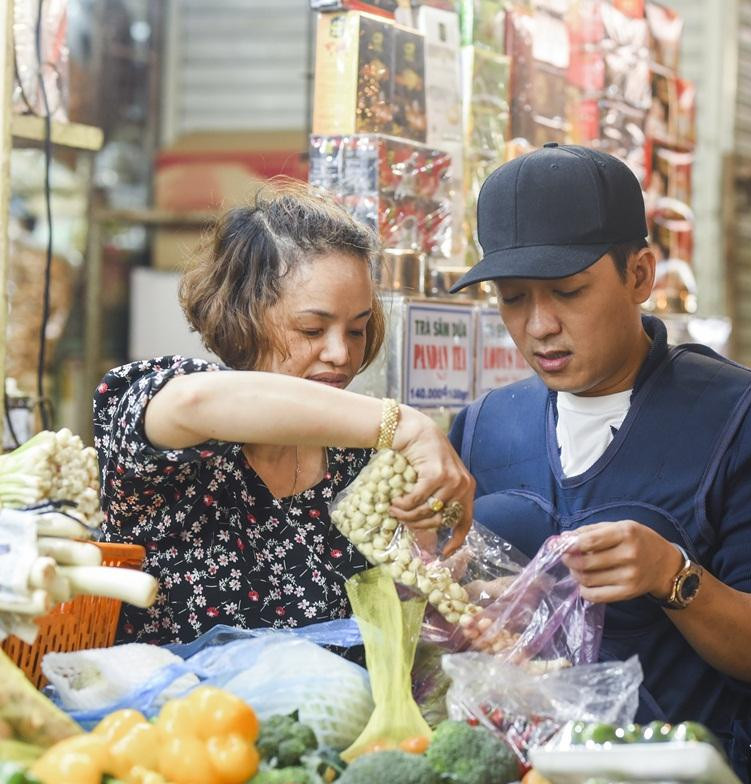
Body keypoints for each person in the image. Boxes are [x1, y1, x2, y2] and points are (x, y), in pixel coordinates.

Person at [447, 143, 751, 782]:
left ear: (640, 275)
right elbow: (446, 627)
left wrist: (671, 575)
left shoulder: (738, 419)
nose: (538, 326)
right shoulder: (484, 429)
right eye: (512, 299)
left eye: (568, 291)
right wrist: (476, 609)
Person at [93, 182, 474, 644]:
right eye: (312, 328)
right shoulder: (169, 422)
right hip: (180, 715)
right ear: (244, 316)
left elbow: (385, 624)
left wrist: (439, 591)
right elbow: (197, 402)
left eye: (356, 331)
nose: (339, 353)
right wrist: (406, 425)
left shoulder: (357, 466)